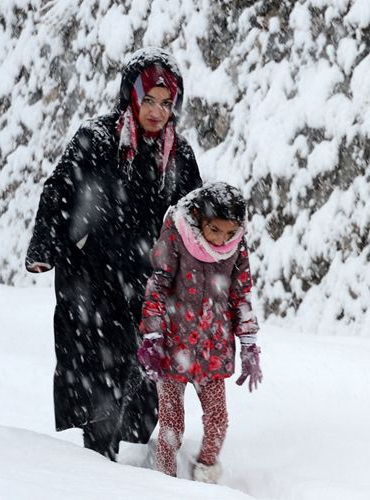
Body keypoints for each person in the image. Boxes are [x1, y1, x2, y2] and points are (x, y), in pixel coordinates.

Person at [25, 47, 202, 461]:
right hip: (92, 278)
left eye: (166, 103)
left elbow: (194, 220)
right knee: (96, 379)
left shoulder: (179, 155)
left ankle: (134, 467)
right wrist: (44, 248)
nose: (157, 111)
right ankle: (98, 466)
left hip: (148, 285)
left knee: (145, 390)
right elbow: (59, 192)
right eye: (150, 100)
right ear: (131, 96)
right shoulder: (98, 138)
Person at [136, 182, 263, 483]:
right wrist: (152, 337)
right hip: (173, 343)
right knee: (172, 424)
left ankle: (205, 473)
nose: (222, 239)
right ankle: (164, 481)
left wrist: (248, 343)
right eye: (215, 230)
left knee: (218, 421)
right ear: (198, 218)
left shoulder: (235, 244)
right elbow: (158, 287)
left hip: (213, 345)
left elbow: (241, 294)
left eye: (229, 232)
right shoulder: (177, 235)